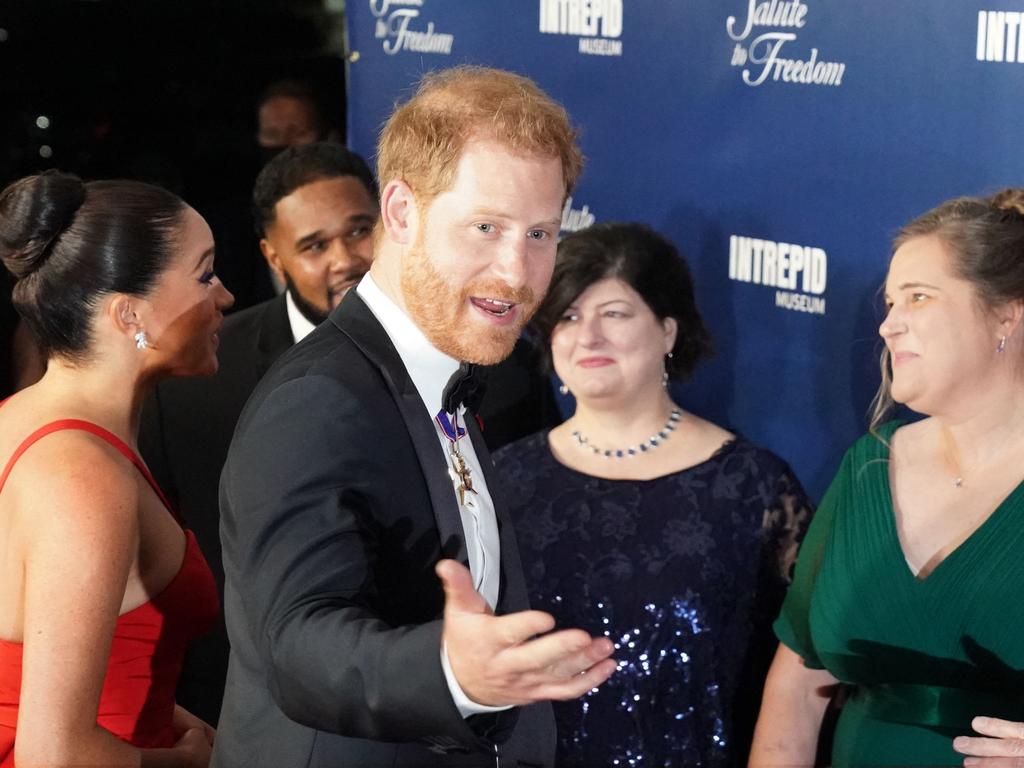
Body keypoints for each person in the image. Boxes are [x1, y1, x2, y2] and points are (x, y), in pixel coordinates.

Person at [212, 65, 617, 767]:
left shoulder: (456, 375)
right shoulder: (318, 400)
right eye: (485, 226)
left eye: (541, 235)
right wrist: (454, 674)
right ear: (400, 212)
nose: (517, 272)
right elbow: (296, 642)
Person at [492, 222, 813, 767]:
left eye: (614, 314)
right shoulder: (502, 479)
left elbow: (805, 669)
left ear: (668, 331)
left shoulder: (753, 486)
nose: (587, 336)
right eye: (568, 317)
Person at [749, 190, 1024, 767]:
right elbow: (796, 690)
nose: (888, 327)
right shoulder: (870, 465)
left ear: (1008, 312)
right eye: (891, 302)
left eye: (919, 298)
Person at [138, 141, 379, 725]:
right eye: (315, 245)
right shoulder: (194, 384)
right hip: (245, 701)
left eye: (359, 231)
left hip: (429, 699)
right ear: (274, 258)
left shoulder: (482, 364)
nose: (344, 258)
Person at [0, 170, 233, 765]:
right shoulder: (82, 478)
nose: (225, 296)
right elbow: (52, 756)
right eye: (205, 274)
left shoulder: (19, 424)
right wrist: (188, 761)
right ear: (131, 315)